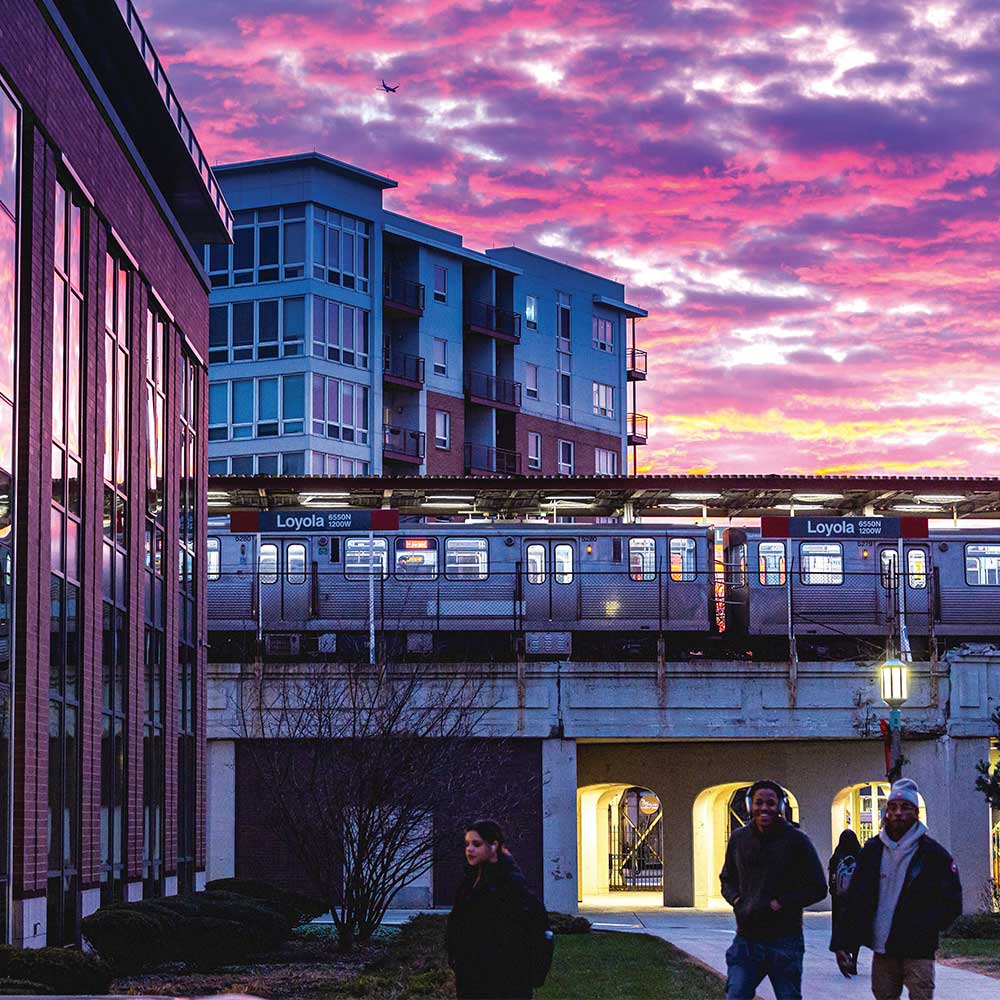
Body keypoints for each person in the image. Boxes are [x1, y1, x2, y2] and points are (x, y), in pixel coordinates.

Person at [833, 778, 962, 1000]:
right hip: (883, 950)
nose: (898, 813)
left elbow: (952, 901)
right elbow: (856, 899)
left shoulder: (933, 855)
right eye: (892, 807)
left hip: (918, 951)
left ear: (916, 813)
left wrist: (927, 928)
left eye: (905, 807)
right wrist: (842, 942)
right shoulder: (872, 851)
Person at [720, 779, 827, 1000]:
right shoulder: (739, 839)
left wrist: (781, 903)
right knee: (736, 994)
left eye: (771, 803)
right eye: (759, 802)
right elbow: (727, 879)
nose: (764, 808)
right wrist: (738, 900)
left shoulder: (797, 841)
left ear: (780, 806)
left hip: (785, 941)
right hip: (747, 940)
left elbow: (818, 888)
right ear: (750, 806)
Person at [446, 820, 538, 999]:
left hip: (501, 981)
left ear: (494, 845)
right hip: (472, 977)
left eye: (476, 844)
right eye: (467, 844)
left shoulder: (509, 882)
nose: (469, 849)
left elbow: (516, 935)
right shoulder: (469, 881)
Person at [829, 828, 863, 974]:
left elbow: (832, 879)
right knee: (855, 930)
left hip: (839, 900)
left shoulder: (836, 856)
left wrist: (834, 892)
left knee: (840, 928)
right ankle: (854, 960)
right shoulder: (860, 856)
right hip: (855, 901)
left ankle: (845, 955)